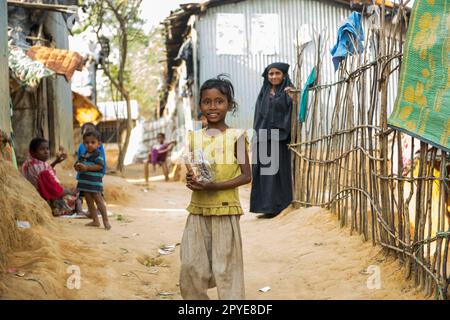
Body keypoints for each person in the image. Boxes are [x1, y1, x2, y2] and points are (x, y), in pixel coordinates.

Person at [181, 75, 251, 300]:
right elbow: (194, 170)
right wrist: (192, 182)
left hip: (225, 209)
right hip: (198, 210)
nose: (212, 107)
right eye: (207, 101)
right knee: (191, 266)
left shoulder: (236, 137)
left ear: (229, 105)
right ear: (200, 105)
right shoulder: (193, 138)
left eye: (219, 101)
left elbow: (247, 176)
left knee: (226, 270)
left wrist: (215, 186)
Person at [250, 62, 295, 218]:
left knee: (278, 173)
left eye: (277, 73)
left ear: (284, 75)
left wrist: (292, 100)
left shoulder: (289, 91)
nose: (274, 77)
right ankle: (265, 207)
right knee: (264, 172)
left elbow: (294, 114)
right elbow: (258, 116)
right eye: (271, 74)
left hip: (280, 138)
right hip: (263, 137)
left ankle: (279, 206)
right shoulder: (264, 93)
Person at [21, 137, 77, 216]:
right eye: (42, 149)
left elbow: (41, 173)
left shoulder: (29, 162)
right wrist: (69, 191)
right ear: (33, 152)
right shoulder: (43, 170)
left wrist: (55, 162)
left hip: (33, 194)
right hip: (45, 199)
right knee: (76, 198)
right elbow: (54, 191)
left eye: (47, 149)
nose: (46, 152)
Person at [74, 130, 111, 230]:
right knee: (89, 202)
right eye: (86, 142)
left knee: (99, 201)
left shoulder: (98, 154)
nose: (89, 145)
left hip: (94, 183)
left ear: (98, 144)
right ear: (83, 144)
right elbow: (77, 164)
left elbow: (99, 166)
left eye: (92, 142)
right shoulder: (83, 155)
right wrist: (77, 167)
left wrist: (86, 168)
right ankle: (95, 220)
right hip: (85, 184)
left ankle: (106, 221)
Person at [75, 122, 106, 215]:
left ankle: (98, 210)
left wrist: (102, 171)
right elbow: (79, 160)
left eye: (91, 131)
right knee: (84, 194)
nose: (90, 144)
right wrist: (77, 167)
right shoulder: (82, 147)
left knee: (97, 194)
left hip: (94, 174)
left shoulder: (98, 147)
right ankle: (84, 211)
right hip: (84, 175)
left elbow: (101, 161)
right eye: (87, 131)